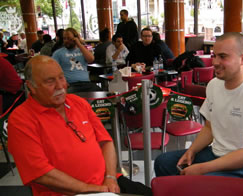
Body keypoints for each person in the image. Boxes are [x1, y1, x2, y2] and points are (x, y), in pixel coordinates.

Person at [7, 55, 152, 196]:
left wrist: (110, 177)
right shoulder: (21, 120)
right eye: (50, 81)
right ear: (31, 87)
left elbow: (106, 142)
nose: (61, 86)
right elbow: (41, 173)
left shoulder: (78, 103)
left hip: (107, 182)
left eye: (61, 77)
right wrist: (93, 189)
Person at [154, 32, 243, 186]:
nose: (215, 62)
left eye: (223, 57)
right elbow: (209, 127)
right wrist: (191, 151)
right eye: (214, 55)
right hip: (219, 153)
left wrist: (202, 169)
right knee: (163, 163)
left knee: (201, 183)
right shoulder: (214, 85)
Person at [52, 28, 100, 93]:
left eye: (69, 38)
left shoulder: (82, 50)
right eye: (64, 38)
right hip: (71, 84)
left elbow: (91, 59)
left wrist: (79, 44)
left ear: (75, 38)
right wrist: (62, 82)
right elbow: (52, 70)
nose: (66, 41)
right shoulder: (58, 53)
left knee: (99, 91)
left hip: (86, 83)